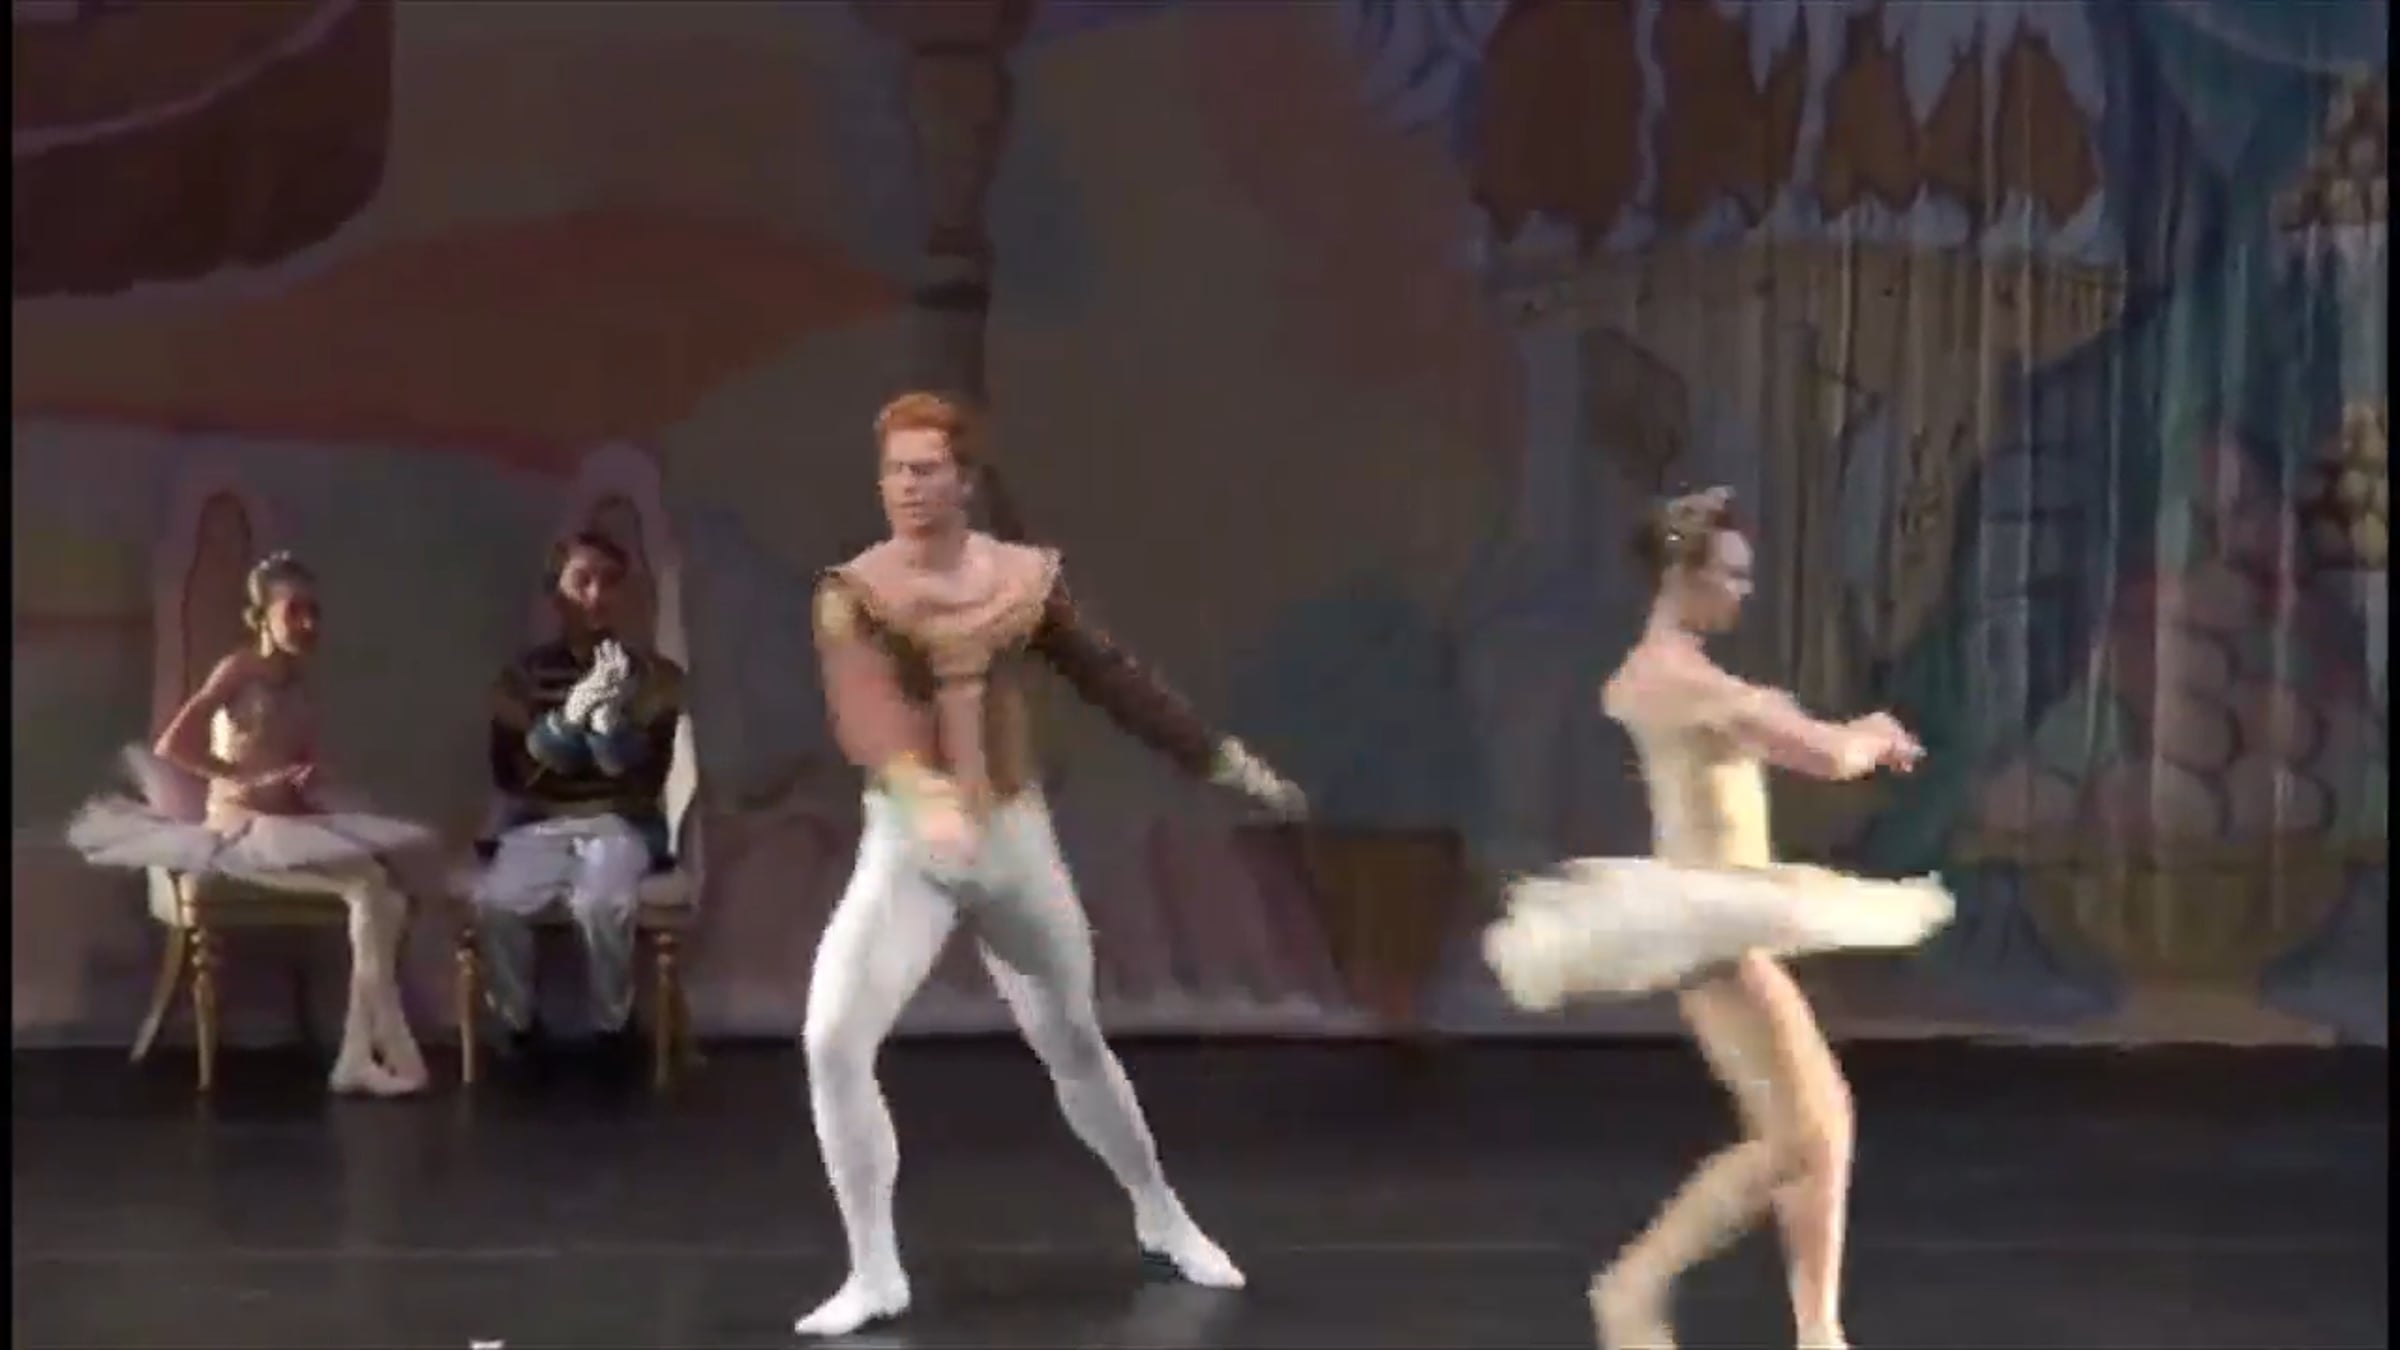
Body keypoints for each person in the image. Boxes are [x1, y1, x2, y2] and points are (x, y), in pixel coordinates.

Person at [795, 391, 1309, 1338]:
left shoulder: (1020, 582)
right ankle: (874, 1270)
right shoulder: (854, 592)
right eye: (894, 471)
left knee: (1071, 1036)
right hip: (912, 849)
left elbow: (1110, 676)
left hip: (1013, 841)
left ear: (965, 479)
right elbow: (863, 707)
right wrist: (921, 788)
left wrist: (1221, 761)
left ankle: (1160, 1211)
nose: (907, 486)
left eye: (925, 469)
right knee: (831, 1039)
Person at [1479, 488, 1955, 1350]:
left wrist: (1843, 736)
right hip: (1708, 929)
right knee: (1799, 1136)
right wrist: (1874, 733)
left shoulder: (1677, 673)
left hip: (1723, 922)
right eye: (1730, 575)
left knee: (1821, 1126)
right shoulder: (1677, 678)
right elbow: (1824, 755)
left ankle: (1818, 1331)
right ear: (1682, 575)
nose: (1744, 591)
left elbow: (1782, 739)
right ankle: (1632, 1287)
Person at [67, 551, 433, 1096]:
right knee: (369, 889)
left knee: (389, 898)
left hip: (286, 825)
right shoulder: (240, 669)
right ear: (261, 616)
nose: (308, 624)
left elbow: (296, 765)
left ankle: (357, 1054)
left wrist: (305, 782)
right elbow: (173, 743)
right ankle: (379, 1050)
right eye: (294, 611)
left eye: (314, 611)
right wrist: (243, 777)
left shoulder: (301, 685)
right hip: (242, 829)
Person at [470, 531, 685, 1062]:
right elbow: (515, 775)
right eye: (582, 581)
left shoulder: (652, 676)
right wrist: (568, 719)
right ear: (556, 592)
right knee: (499, 903)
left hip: (619, 821)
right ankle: (517, 1026)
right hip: (538, 821)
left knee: (602, 902)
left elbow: (644, 778)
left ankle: (613, 1030)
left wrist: (608, 727)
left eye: (609, 582)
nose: (596, 595)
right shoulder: (522, 678)